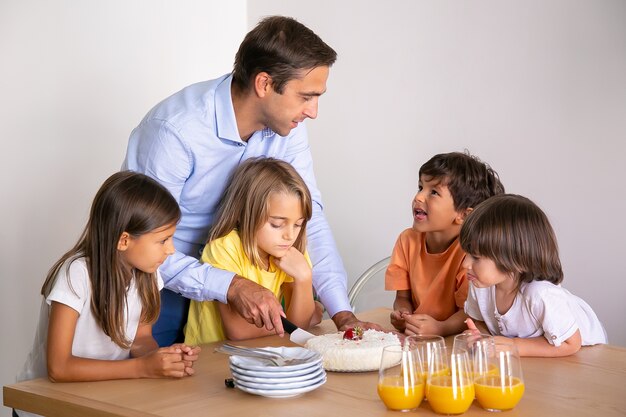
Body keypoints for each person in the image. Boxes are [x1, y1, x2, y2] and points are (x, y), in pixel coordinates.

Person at [123, 15, 375, 347]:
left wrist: (342, 313)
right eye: (306, 96)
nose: (313, 111)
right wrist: (229, 284)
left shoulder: (288, 127)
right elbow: (141, 238)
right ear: (264, 84)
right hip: (160, 283)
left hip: (241, 277)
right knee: (155, 392)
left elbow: (311, 218)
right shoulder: (174, 131)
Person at [14, 171, 201, 417]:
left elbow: (140, 340)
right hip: (43, 408)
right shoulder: (75, 274)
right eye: (163, 240)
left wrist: (163, 358)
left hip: (95, 400)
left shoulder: (147, 274)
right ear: (124, 240)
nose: (171, 249)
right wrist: (142, 368)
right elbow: (58, 368)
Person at [185, 158, 316, 344]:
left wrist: (304, 278)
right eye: (277, 224)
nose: (289, 235)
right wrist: (292, 322)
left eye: (298, 224)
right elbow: (238, 331)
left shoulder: (290, 251)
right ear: (246, 213)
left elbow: (299, 327)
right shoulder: (224, 248)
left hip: (259, 355)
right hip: (210, 356)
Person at [461, 194, 607, 357]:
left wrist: (513, 346)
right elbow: (480, 321)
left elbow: (571, 344)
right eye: (466, 254)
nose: (465, 264)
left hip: (587, 353)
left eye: (476, 257)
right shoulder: (481, 286)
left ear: (514, 257)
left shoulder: (540, 294)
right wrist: (480, 337)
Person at [385, 151, 505, 336]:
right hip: (420, 340)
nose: (419, 197)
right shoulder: (407, 241)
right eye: (420, 187)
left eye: (433, 192)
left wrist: (441, 328)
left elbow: (471, 312)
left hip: (457, 341)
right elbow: (402, 298)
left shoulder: (472, 255)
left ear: (463, 215)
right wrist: (403, 313)